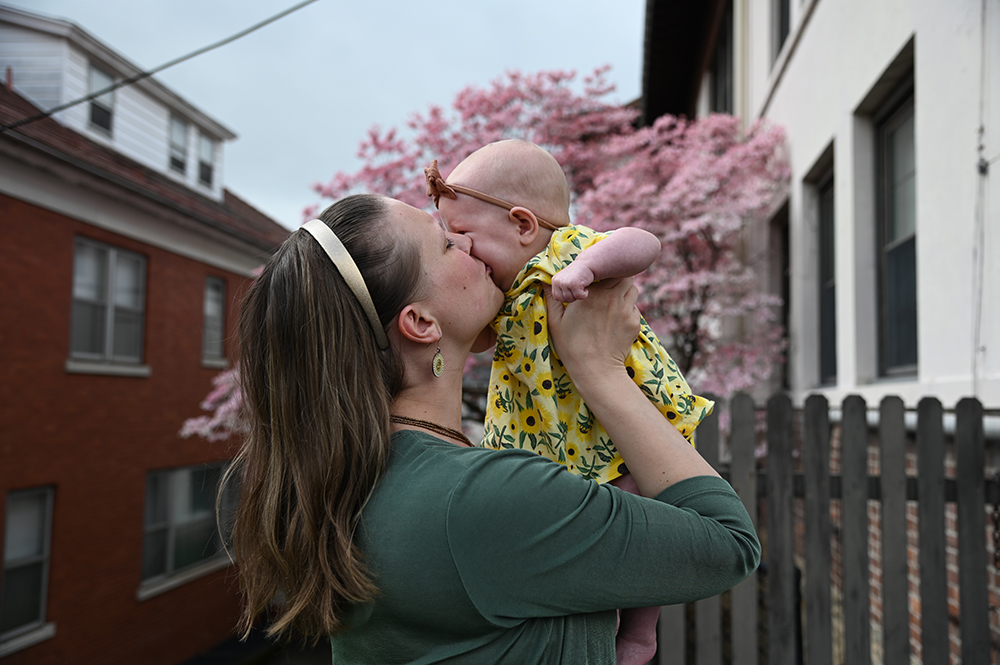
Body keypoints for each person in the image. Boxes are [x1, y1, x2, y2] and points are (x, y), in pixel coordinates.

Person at [226, 193, 760, 664]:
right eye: (446, 244)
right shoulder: (479, 498)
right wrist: (599, 368)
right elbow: (728, 546)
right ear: (421, 323)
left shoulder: (362, 478)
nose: (470, 245)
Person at [426, 140, 716, 662]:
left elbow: (641, 242)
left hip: (615, 428)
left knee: (642, 511)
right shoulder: (500, 290)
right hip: (550, 438)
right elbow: (481, 338)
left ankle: (640, 632)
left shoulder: (569, 252)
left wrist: (587, 269)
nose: (462, 250)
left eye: (464, 236)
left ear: (522, 225)